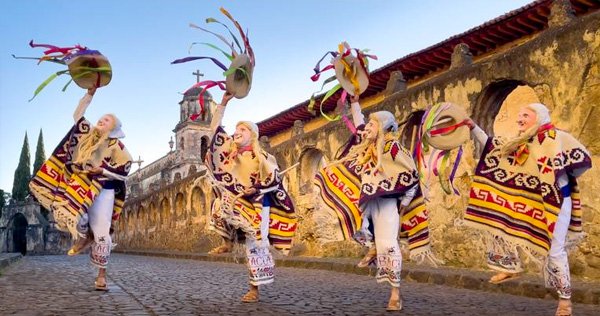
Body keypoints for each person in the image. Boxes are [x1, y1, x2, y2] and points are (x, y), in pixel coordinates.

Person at [465, 103, 592, 316]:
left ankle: (565, 300)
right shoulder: (520, 143)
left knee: (555, 251)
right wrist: (473, 126)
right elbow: (491, 145)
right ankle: (509, 266)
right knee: (500, 221)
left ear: (539, 117)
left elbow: (583, 159)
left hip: (556, 202)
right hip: (530, 201)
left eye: (525, 115)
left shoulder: (557, 137)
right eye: (519, 115)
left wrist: (558, 178)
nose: (519, 119)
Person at [314, 94, 435, 312]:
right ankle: (371, 246)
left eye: (372, 124)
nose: (367, 127)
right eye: (368, 123)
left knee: (389, 245)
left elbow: (411, 174)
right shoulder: (365, 148)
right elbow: (359, 123)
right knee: (350, 217)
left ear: (383, 127)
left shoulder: (393, 148)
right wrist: (355, 101)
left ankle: (395, 293)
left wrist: (405, 202)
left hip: (388, 203)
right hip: (366, 201)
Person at [29, 88, 132, 291]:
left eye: (107, 120)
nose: (102, 121)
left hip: (104, 189)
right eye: (101, 118)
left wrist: (102, 169)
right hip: (79, 184)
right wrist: (90, 94)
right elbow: (77, 115)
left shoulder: (117, 147)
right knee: (71, 214)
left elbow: (124, 171)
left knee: (102, 233)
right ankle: (84, 235)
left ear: (114, 128)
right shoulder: (87, 134)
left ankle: (101, 276)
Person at [206, 92, 297, 303]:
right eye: (236, 130)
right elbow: (213, 131)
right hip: (235, 200)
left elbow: (274, 178)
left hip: (256, 204)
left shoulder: (262, 156)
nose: (237, 133)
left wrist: (255, 188)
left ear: (252, 135)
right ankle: (227, 241)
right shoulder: (230, 152)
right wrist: (223, 103)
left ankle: (254, 289)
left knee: (255, 246)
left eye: (242, 130)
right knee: (219, 204)